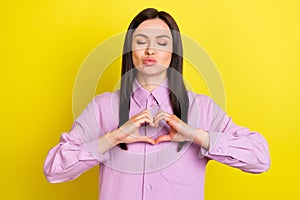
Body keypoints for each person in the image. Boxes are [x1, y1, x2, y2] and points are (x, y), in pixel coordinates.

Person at [44, 8, 270, 200]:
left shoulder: (203, 109)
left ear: (174, 52)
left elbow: (260, 159)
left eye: (161, 42)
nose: (150, 50)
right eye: (141, 41)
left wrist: (195, 135)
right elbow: (53, 170)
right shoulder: (102, 108)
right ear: (129, 50)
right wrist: (113, 138)